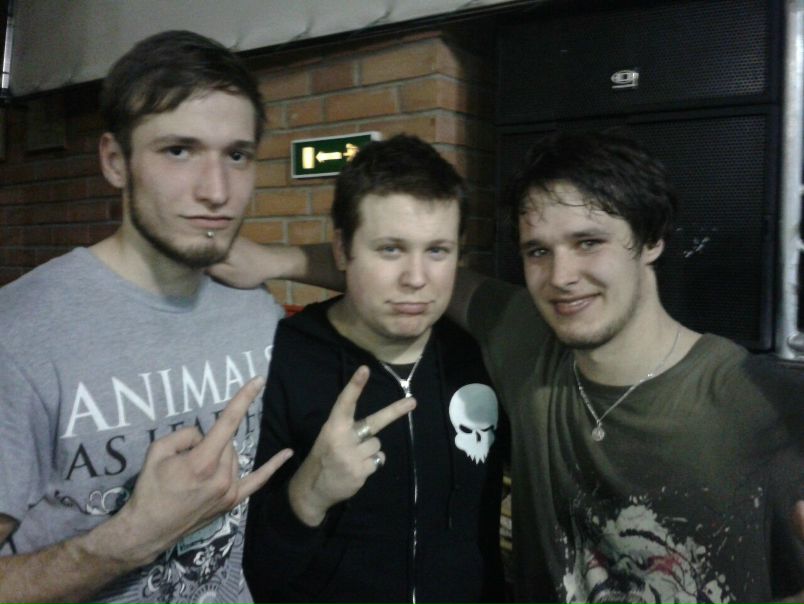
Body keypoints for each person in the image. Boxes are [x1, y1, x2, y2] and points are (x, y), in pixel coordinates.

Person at [212, 130, 803, 603]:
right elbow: (410, 269)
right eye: (538, 251)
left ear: (651, 240)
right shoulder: (525, 340)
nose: (562, 276)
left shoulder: (764, 402)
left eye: (589, 242)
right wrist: (274, 259)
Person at [0, 31, 293, 604]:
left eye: (236, 155)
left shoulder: (256, 309)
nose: (216, 191)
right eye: (178, 150)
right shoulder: (19, 335)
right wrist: (129, 540)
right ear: (116, 161)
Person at [242, 134, 506, 604]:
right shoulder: (279, 362)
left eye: (437, 251)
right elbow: (241, 570)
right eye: (390, 249)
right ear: (342, 250)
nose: (416, 278)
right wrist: (307, 497)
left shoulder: (478, 355)